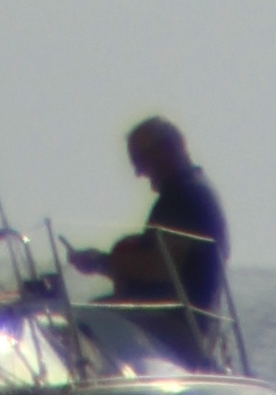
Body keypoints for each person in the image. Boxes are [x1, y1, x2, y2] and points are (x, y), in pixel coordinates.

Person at [86, 116, 231, 356]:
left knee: (84, 320)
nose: (139, 173)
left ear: (166, 150)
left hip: (177, 326)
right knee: (88, 315)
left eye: (140, 161)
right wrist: (101, 264)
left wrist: (105, 260)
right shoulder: (191, 192)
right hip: (178, 321)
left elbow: (161, 267)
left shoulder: (185, 197)